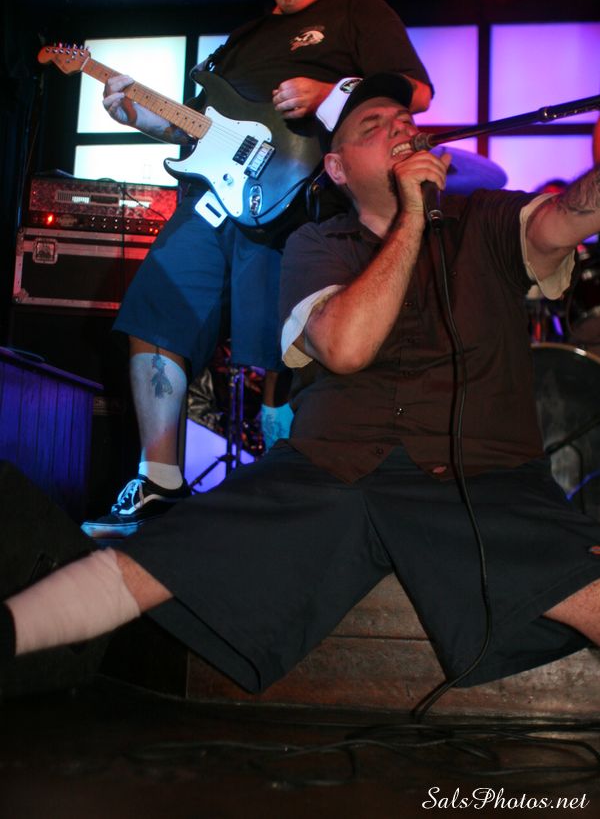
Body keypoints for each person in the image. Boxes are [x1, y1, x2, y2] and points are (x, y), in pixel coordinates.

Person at [4, 72, 600, 700]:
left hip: (480, 476)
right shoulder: (315, 246)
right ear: (338, 169)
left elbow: (569, 215)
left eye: (403, 120)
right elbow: (346, 346)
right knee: (149, 560)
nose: (398, 127)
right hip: (329, 468)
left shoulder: (489, 219)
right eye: (372, 127)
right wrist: (412, 221)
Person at [82, 0, 433, 538]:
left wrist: (328, 93)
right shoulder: (241, 39)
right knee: (157, 310)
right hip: (214, 199)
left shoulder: (358, 11)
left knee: (295, 342)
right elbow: (205, 126)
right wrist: (145, 119)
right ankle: (158, 479)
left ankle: (305, 489)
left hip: (301, 200)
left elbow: (417, 94)